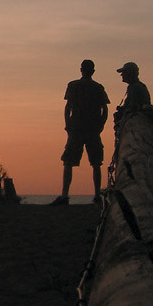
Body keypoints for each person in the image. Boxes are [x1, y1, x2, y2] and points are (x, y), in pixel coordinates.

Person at [51, 59, 109, 206]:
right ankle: (97, 196)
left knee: (69, 162)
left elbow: (68, 108)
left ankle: (65, 195)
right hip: (90, 129)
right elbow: (105, 110)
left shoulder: (74, 86)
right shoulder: (97, 88)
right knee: (96, 163)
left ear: (81, 70)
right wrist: (100, 125)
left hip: (78, 129)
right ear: (93, 71)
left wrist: (68, 125)